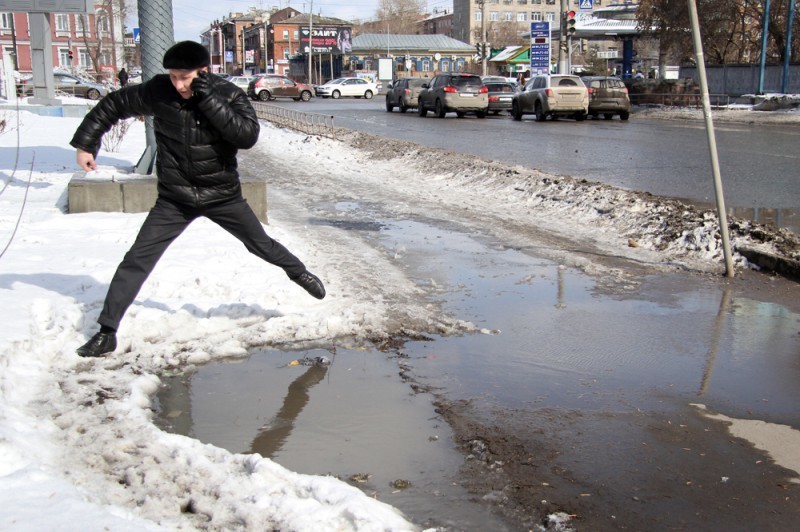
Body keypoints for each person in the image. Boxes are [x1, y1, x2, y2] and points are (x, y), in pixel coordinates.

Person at [71, 41, 326, 358]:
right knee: (138, 258)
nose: (178, 84)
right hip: (175, 199)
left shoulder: (228, 94)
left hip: (222, 195)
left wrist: (208, 100)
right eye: (174, 76)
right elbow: (113, 105)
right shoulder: (159, 91)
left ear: (203, 72)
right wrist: (86, 144)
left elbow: (246, 136)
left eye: (185, 77)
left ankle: (298, 272)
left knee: (259, 243)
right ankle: (107, 333)